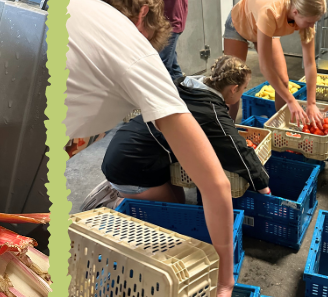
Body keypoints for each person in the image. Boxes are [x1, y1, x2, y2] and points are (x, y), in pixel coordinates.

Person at [66, 0, 234, 297]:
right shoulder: (132, 49)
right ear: (143, 13)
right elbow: (216, 185)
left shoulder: (69, 1)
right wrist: (224, 282)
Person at [95, 55, 271, 210]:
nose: (243, 92)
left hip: (128, 148)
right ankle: (116, 202)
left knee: (180, 198)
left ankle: (123, 189)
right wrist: (263, 187)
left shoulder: (185, 85)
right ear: (234, 88)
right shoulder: (211, 112)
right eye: (244, 88)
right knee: (174, 211)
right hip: (130, 167)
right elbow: (238, 150)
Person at [223, 0, 326, 127]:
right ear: (295, 12)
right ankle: (227, 130)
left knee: (283, 80)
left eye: (314, 22)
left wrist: (311, 103)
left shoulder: (306, 14)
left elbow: (309, 63)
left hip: (265, 27)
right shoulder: (271, 12)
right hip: (241, 23)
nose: (311, 26)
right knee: (232, 85)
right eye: (309, 22)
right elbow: (265, 67)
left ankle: (281, 127)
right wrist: (291, 101)